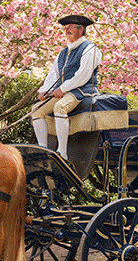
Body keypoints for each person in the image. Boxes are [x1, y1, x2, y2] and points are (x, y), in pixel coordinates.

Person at [31, 14, 102, 161]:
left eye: (70, 28)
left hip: (83, 91)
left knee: (60, 107)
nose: (66, 30)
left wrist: (62, 89)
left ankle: (61, 153)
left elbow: (82, 75)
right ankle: (44, 150)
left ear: (81, 29)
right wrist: (45, 90)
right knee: (36, 110)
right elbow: (53, 74)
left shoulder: (91, 49)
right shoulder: (63, 52)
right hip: (64, 91)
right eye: (65, 28)